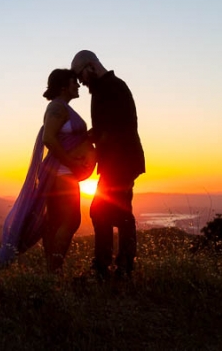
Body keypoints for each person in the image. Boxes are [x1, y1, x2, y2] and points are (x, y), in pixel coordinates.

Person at [0, 69, 94, 272]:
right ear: (63, 86)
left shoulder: (62, 108)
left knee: (55, 222)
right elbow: (48, 138)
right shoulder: (57, 108)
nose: (78, 86)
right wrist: (73, 163)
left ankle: (53, 271)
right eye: (73, 82)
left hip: (62, 173)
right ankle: (54, 268)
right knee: (71, 220)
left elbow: (67, 137)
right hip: (62, 173)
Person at [71, 50, 145, 280]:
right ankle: (117, 266)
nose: (81, 82)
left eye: (81, 75)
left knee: (109, 212)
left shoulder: (113, 88)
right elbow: (107, 127)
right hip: (117, 161)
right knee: (112, 211)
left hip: (121, 161)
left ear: (91, 66)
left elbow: (118, 128)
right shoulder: (103, 89)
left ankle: (111, 267)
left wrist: (91, 138)